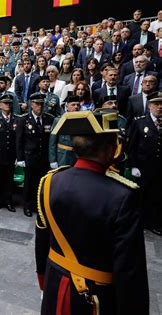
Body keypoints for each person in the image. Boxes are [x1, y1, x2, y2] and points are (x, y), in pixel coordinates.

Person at [35, 110, 149, 314]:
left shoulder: (49, 181)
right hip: (95, 298)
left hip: (55, 284)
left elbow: (41, 240)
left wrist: (43, 280)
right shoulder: (123, 196)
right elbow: (130, 272)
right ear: (109, 149)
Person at [127, 91, 162, 236]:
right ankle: (141, 222)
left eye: (161, 104)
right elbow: (131, 145)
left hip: (159, 167)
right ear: (149, 106)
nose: (160, 107)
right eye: (156, 104)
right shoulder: (140, 122)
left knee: (158, 195)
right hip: (144, 166)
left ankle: (155, 222)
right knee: (142, 195)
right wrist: (133, 165)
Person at [16, 93, 55, 217]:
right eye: (37, 104)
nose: (40, 106)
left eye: (42, 104)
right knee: (29, 182)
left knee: (41, 183)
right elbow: (19, 140)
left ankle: (38, 206)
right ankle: (27, 205)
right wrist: (20, 158)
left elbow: (50, 140)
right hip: (29, 156)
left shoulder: (49, 118)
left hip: (43, 157)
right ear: (31, 105)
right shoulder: (23, 119)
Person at [0, 94, 18, 212]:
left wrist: (18, 156)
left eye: (9, 103)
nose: (8, 105)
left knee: (9, 180)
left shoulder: (16, 119)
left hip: (11, 155)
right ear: (0, 105)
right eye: (5, 103)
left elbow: (17, 139)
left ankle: (9, 201)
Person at [48, 95, 81, 170]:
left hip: (77, 156)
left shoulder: (82, 120)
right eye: (73, 105)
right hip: (63, 156)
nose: (76, 107)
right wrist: (53, 160)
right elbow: (52, 142)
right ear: (67, 106)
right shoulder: (59, 120)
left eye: (78, 105)